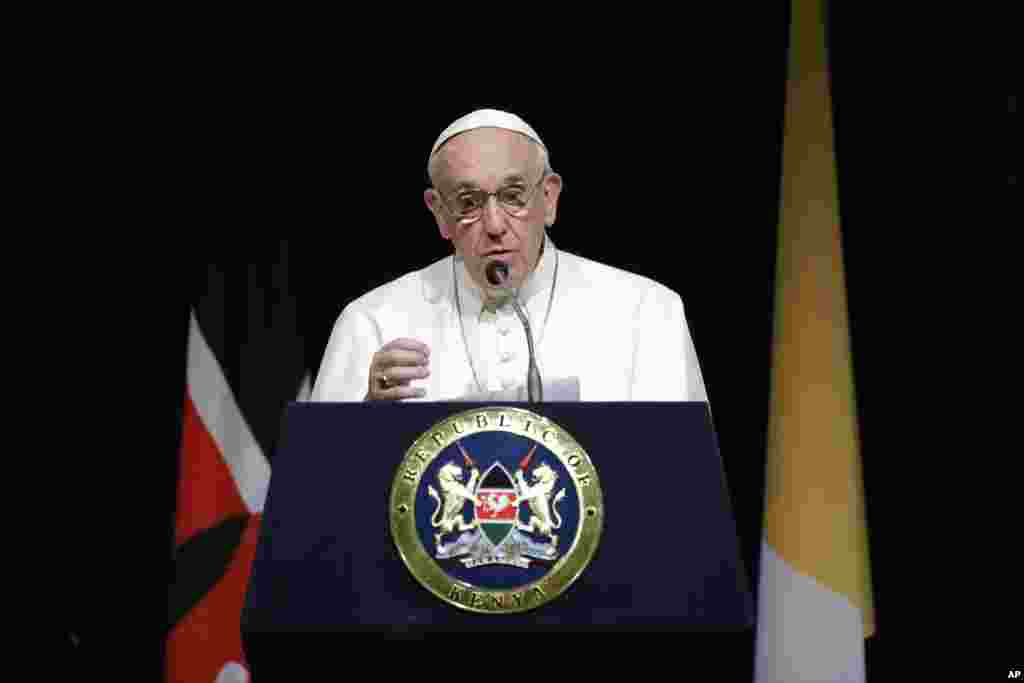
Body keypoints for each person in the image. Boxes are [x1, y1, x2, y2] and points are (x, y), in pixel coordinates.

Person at [310, 109, 708, 403]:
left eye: (514, 196)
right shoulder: (372, 321)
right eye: (468, 203)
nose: (495, 224)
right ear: (439, 213)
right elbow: (318, 498)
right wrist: (363, 423)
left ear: (549, 199)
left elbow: (680, 485)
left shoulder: (648, 312)